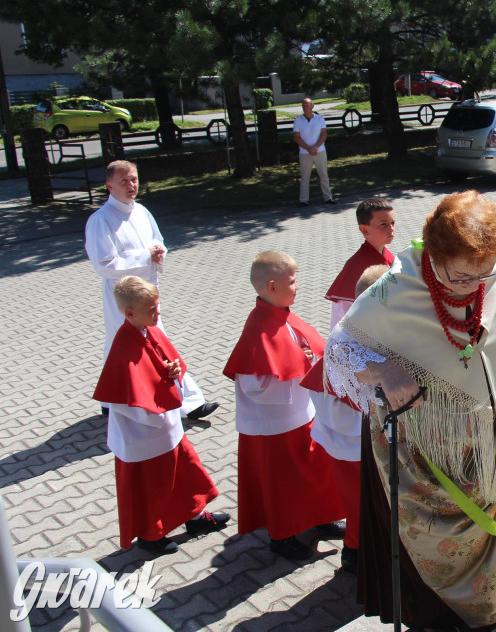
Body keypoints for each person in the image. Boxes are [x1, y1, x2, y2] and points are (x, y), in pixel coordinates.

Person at [324, 191, 496, 632]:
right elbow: (340, 347)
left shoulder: (493, 269)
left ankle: (487, 605)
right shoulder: (396, 285)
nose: (473, 286)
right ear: (435, 254)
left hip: (489, 440)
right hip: (423, 449)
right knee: (429, 552)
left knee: (492, 533)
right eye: (459, 276)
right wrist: (383, 369)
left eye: (483, 275)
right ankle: (441, 619)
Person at [93, 276, 229, 555]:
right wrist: (156, 416)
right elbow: (124, 399)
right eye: (152, 309)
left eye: (158, 306)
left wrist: (173, 372)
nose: (159, 313)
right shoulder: (124, 348)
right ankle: (150, 536)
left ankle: (194, 518)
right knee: (154, 487)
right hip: (145, 434)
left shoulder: (148, 329)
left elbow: (166, 365)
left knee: (187, 474)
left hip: (166, 425)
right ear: (130, 312)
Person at [223, 251, 345, 560]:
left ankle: (319, 517)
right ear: (273, 286)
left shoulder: (283, 315)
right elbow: (254, 387)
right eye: (293, 281)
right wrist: (297, 369)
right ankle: (283, 535)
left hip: (301, 415)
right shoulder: (258, 329)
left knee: (315, 470)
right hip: (275, 425)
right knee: (284, 483)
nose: (298, 286)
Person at [85, 160, 218, 421]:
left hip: (149, 292)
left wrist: (158, 252)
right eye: (124, 181)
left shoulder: (142, 211)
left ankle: (110, 400)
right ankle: (189, 401)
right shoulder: (100, 220)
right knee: (148, 343)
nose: (131, 185)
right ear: (109, 185)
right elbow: (104, 264)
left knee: (131, 343)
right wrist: (145, 256)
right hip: (123, 297)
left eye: (133, 179)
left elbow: (158, 241)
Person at [301, 263, 390, 576]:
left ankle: (361, 549)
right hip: (352, 446)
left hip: (361, 443)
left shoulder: (370, 333)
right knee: (361, 504)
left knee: (368, 504)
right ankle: (356, 554)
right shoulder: (346, 346)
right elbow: (331, 401)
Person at [325, 198, 396, 330]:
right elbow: (344, 316)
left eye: (393, 222)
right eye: (383, 224)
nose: (391, 229)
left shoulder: (389, 256)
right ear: (364, 230)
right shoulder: (356, 268)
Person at [292, 97, 335, 207]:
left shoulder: (320, 119)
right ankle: (303, 200)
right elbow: (296, 137)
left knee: (323, 174)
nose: (305, 107)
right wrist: (308, 148)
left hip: (320, 151)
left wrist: (315, 147)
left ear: (312, 106)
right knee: (305, 176)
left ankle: (328, 197)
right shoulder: (298, 120)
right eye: (303, 105)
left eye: (307, 105)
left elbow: (324, 134)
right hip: (304, 152)